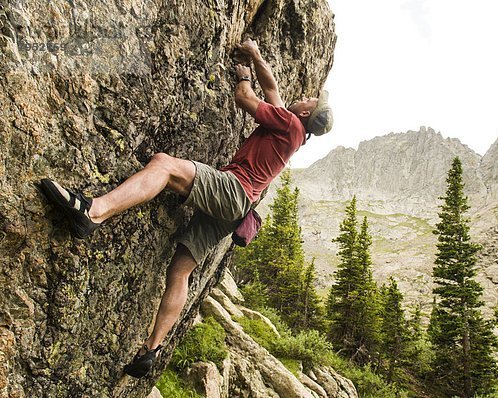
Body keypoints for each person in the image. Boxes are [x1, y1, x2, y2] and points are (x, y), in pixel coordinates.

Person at [39, 38, 333, 378]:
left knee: (164, 165)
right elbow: (273, 87)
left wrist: (242, 76)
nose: (307, 96)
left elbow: (246, 98)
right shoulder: (293, 129)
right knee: (180, 271)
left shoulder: (290, 123)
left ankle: (92, 212)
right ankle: (151, 348)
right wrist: (254, 54)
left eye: (312, 98)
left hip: (231, 189)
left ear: (307, 112)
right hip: (236, 210)